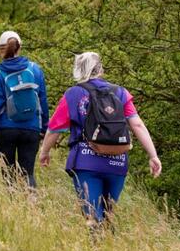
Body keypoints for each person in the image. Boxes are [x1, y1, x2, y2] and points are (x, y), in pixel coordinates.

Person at [39, 51, 161, 231]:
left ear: (78, 70)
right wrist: (153, 155)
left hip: (86, 162)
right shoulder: (121, 93)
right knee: (108, 215)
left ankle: (96, 249)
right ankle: (110, 250)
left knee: (92, 217)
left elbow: (54, 128)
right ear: (101, 69)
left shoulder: (73, 94)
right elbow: (137, 125)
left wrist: (44, 152)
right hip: (117, 162)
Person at [0, 30, 49, 188]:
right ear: (20, 47)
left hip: (6, 130)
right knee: (28, 174)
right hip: (31, 128)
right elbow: (42, 101)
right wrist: (44, 129)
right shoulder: (35, 69)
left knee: (8, 175)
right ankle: (32, 208)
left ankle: (12, 208)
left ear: (0, 49)